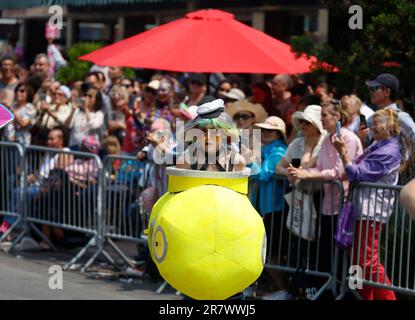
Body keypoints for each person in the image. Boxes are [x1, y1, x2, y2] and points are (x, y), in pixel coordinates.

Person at [333, 108, 401, 300]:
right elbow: (353, 168)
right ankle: (363, 298)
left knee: (367, 262)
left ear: (390, 125)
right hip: (360, 209)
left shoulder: (390, 149)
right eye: (372, 124)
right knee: (356, 262)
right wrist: (346, 156)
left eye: (376, 124)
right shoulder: (379, 144)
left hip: (371, 211)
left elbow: (357, 173)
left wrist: (343, 152)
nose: (372, 128)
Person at [248, 116, 289, 300]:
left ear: (278, 134)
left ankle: (284, 290)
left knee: (271, 253)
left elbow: (262, 174)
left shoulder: (279, 151)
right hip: (263, 208)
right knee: (260, 250)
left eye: (269, 131)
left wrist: (248, 160)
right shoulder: (264, 150)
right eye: (262, 130)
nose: (264, 133)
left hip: (276, 208)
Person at [361, 74, 415, 169]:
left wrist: (406, 163)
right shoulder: (371, 119)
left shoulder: (400, 117)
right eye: (370, 89)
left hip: (396, 177)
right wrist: (361, 138)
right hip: (374, 173)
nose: (370, 92)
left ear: (387, 92)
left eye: (374, 89)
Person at [177, 99, 245, 172]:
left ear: (225, 134)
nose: (208, 137)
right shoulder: (185, 161)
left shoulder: (237, 161)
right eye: (203, 131)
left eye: (214, 131)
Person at [276, 104, 326, 179]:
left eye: (307, 123)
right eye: (301, 121)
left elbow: (305, 168)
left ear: (316, 127)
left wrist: (308, 148)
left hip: (319, 190)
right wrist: (288, 173)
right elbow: (278, 167)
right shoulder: (296, 143)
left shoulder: (324, 143)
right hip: (298, 190)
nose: (303, 125)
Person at [4, 82, 36, 147]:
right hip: (7, 142)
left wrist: (12, 111)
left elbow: (23, 123)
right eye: (16, 90)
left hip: (22, 143)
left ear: (28, 94)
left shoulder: (30, 107)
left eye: (22, 91)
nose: (18, 92)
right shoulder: (12, 105)